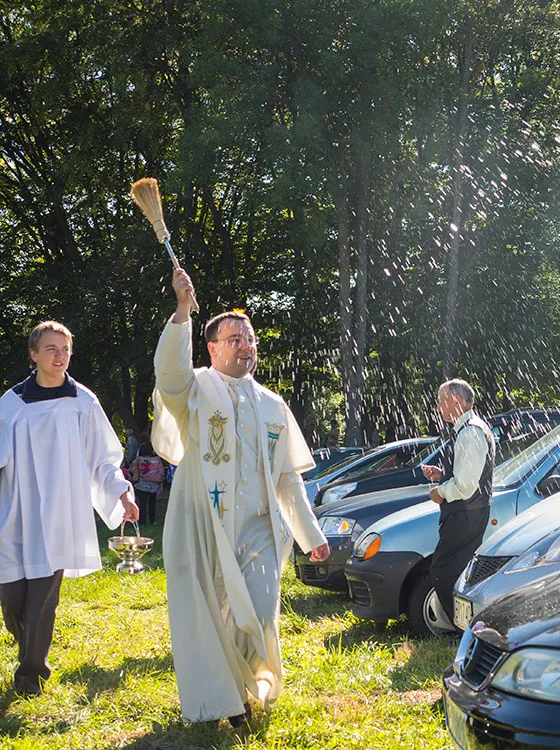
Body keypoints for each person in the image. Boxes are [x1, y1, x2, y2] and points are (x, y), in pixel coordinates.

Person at [152, 268, 330, 726]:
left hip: (259, 530)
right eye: (233, 339)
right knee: (212, 615)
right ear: (211, 348)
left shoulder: (272, 404)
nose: (244, 345)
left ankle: (256, 683)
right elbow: (168, 374)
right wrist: (182, 309)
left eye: (248, 338)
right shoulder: (195, 390)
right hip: (206, 524)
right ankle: (223, 702)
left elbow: (288, 478)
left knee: (261, 612)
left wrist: (311, 534)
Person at [0, 321, 139, 696]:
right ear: (33, 355)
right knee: (12, 601)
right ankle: (28, 645)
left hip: (60, 516)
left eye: (65, 349)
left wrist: (123, 492)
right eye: (51, 349)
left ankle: (31, 670)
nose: (60, 356)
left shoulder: (83, 402)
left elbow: (104, 460)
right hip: (15, 515)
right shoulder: (11, 404)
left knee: (42, 601)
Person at [421, 379, 495, 626]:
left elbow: (465, 485)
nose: (438, 407)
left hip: (464, 514)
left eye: (441, 401)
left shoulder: (471, 431)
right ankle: (467, 627)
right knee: (460, 571)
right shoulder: (471, 429)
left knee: (443, 571)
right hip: (470, 511)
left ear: (457, 401)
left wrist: (439, 492)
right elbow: (467, 474)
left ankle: (461, 629)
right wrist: (442, 474)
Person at [129, 442, 165, 525]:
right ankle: (152, 520)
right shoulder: (157, 460)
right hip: (153, 486)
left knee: (142, 504)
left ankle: (142, 521)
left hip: (141, 485)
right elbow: (161, 472)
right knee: (152, 504)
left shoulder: (138, 460)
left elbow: (131, 469)